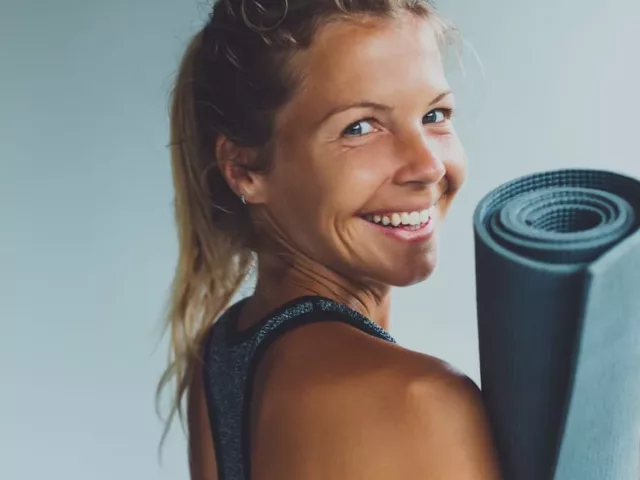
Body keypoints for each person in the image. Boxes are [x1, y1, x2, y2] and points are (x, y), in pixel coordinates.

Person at [157, 0, 501, 478]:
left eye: (434, 114)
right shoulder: (415, 400)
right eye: (359, 127)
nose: (428, 166)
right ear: (244, 168)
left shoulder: (223, 357)